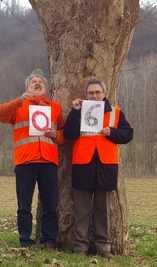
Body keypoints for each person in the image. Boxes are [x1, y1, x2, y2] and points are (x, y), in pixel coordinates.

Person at [0, 71, 66, 251]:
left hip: (48, 163)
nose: (37, 83)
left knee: (50, 205)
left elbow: (65, 136)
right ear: (27, 87)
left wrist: (56, 134)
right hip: (25, 163)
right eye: (33, 82)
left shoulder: (55, 108)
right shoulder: (18, 106)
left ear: (45, 87)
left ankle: (49, 241)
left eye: (40, 82)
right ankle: (25, 241)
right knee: (23, 206)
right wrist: (19, 100)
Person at [63, 79, 133, 259]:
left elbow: (128, 134)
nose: (94, 95)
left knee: (103, 212)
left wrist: (112, 132)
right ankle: (80, 247)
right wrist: (74, 112)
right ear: (86, 95)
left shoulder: (116, 113)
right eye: (91, 93)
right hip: (82, 166)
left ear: (104, 93)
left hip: (106, 167)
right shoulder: (78, 111)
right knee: (81, 210)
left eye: (97, 92)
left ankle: (103, 247)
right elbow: (69, 134)